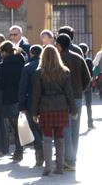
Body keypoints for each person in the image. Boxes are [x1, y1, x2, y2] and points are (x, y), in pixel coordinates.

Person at [30, 45, 77, 176]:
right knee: (60, 137)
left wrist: (34, 112)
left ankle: (48, 167)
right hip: (61, 107)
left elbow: (36, 94)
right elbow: (69, 93)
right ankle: (60, 167)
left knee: (47, 138)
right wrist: (73, 109)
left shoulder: (39, 72)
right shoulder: (65, 71)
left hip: (45, 108)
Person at [55, 33, 91, 171]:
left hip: (63, 98)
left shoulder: (58, 60)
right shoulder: (78, 57)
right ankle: (72, 159)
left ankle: (69, 160)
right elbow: (87, 78)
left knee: (66, 128)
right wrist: (80, 90)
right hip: (77, 97)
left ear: (59, 45)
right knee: (75, 129)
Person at [0, 41, 26, 161]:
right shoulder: (21, 61)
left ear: (4, 52)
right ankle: (20, 151)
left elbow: (1, 84)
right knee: (20, 126)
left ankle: (18, 152)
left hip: (9, 98)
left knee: (15, 127)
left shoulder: (2, 66)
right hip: (21, 97)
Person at [18, 45, 44, 166]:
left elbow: (23, 88)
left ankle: (39, 153)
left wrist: (21, 105)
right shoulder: (46, 66)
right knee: (45, 129)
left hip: (31, 102)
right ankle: (45, 152)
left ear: (31, 53)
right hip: (46, 101)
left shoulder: (27, 67)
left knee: (34, 128)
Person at [78, 43, 95, 130]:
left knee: (78, 104)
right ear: (87, 51)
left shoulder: (77, 59)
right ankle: (90, 123)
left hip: (79, 85)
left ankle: (77, 124)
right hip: (88, 84)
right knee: (89, 105)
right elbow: (91, 73)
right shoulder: (88, 60)